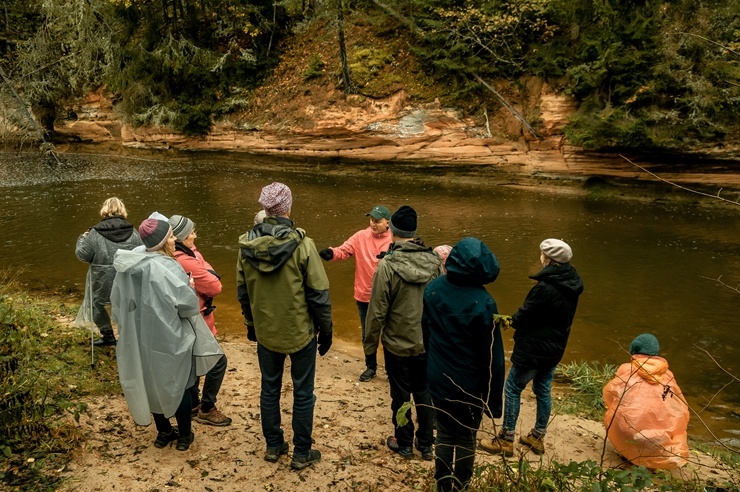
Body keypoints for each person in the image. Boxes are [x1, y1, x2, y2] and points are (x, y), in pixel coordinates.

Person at [236, 182, 333, 470]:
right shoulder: (303, 245)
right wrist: (326, 330)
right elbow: (319, 294)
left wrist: (251, 324)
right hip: (299, 332)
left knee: (270, 389)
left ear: (266, 208)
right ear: (288, 207)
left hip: (266, 331)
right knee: (303, 392)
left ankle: (273, 445)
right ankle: (302, 452)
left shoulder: (246, 246)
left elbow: (243, 292)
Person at [111, 219, 224, 452]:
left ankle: (163, 432)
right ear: (162, 242)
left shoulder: (131, 265)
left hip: (141, 337)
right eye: (171, 237)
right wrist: (190, 288)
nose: (175, 240)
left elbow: (118, 304)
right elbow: (188, 307)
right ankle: (184, 435)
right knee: (180, 383)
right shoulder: (168, 267)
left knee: (152, 381)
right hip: (171, 336)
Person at [479, 238, 583, 456]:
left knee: (513, 388)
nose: (541, 257)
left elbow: (526, 315)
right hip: (555, 348)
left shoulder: (545, 288)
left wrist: (508, 320)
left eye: (542, 255)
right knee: (543, 388)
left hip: (534, 348)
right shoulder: (573, 282)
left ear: (548, 259)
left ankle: (506, 440)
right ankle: (537, 436)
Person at [423, 237, 504, 491]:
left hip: (438, 376)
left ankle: (443, 485)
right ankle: (461, 486)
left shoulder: (433, 290)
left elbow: (426, 334)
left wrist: (431, 367)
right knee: (466, 437)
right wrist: (493, 401)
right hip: (471, 385)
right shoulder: (485, 302)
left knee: (445, 434)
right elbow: (493, 358)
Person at [364, 205, 443, 460]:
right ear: (414, 230)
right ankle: (427, 444)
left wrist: (369, 344)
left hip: (397, 344)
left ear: (394, 230)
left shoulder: (387, 265)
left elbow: (376, 311)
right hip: (427, 343)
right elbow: (440, 304)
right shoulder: (435, 263)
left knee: (400, 394)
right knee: (424, 391)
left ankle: (405, 442)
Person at [169, 214, 232, 427]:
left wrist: (204, 267)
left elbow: (209, 273)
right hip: (196, 319)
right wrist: (204, 268)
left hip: (191, 318)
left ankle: (194, 403)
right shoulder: (186, 259)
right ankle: (206, 408)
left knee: (192, 362)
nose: (195, 235)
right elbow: (215, 286)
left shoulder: (182, 253)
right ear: (182, 237)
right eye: (192, 232)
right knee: (218, 361)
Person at [319, 205, 392, 382]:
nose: (373, 224)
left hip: (388, 297)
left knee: (389, 334)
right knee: (368, 334)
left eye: (377, 221)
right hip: (364, 295)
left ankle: (392, 370)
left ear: (387, 222)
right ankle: (371, 367)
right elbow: (344, 251)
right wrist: (331, 253)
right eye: (371, 220)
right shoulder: (361, 236)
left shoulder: (393, 240)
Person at [603, 334, 690, 469]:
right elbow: (679, 406)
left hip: (631, 434)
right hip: (662, 436)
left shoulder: (627, 369)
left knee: (613, 412)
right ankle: (653, 455)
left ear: (634, 349)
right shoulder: (667, 374)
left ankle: (627, 453)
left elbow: (609, 394)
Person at [75, 197, 142, 346]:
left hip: (102, 281)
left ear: (104, 210)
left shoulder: (94, 232)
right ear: (123, 210)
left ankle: (108, 336)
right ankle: (127, 336)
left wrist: (82, 238)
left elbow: (83, 256)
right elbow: (141, 254)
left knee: (97, 305)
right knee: (128, 305)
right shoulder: (133, 231)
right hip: (126, 279)